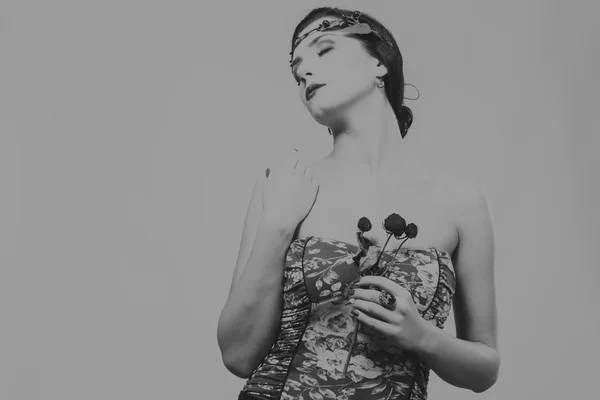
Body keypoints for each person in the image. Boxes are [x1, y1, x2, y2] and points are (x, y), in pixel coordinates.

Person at [217, 7, 499, 400]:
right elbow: (237, 355)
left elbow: (484, 368)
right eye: (296, 69)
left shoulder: (461, 203)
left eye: (324, 50)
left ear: (378, 63)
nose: (304, 73)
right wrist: (278, 225)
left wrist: (423, 337)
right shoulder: (284, 188)